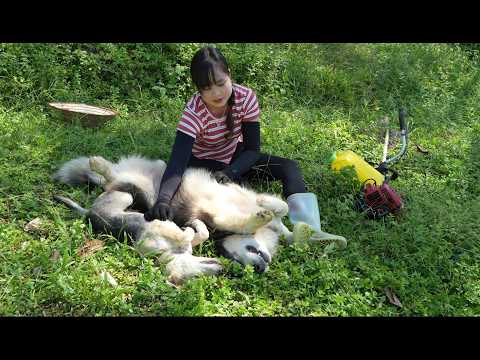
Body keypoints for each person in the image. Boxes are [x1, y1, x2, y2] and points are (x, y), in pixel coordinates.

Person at [144, 46, 346, 244]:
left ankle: (309, 228)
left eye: (221, 83)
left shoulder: (246, 97)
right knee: (242, 191)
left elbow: (252, 150)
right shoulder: (193, 112)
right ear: (198, 89)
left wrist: (231, 172)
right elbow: (177, 163)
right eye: (207, 88)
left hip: (236, 157)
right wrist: (163, 200)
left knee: (289, 167)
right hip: (204, 163)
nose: (216, 93)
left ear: (229, 75)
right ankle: (280, 233)